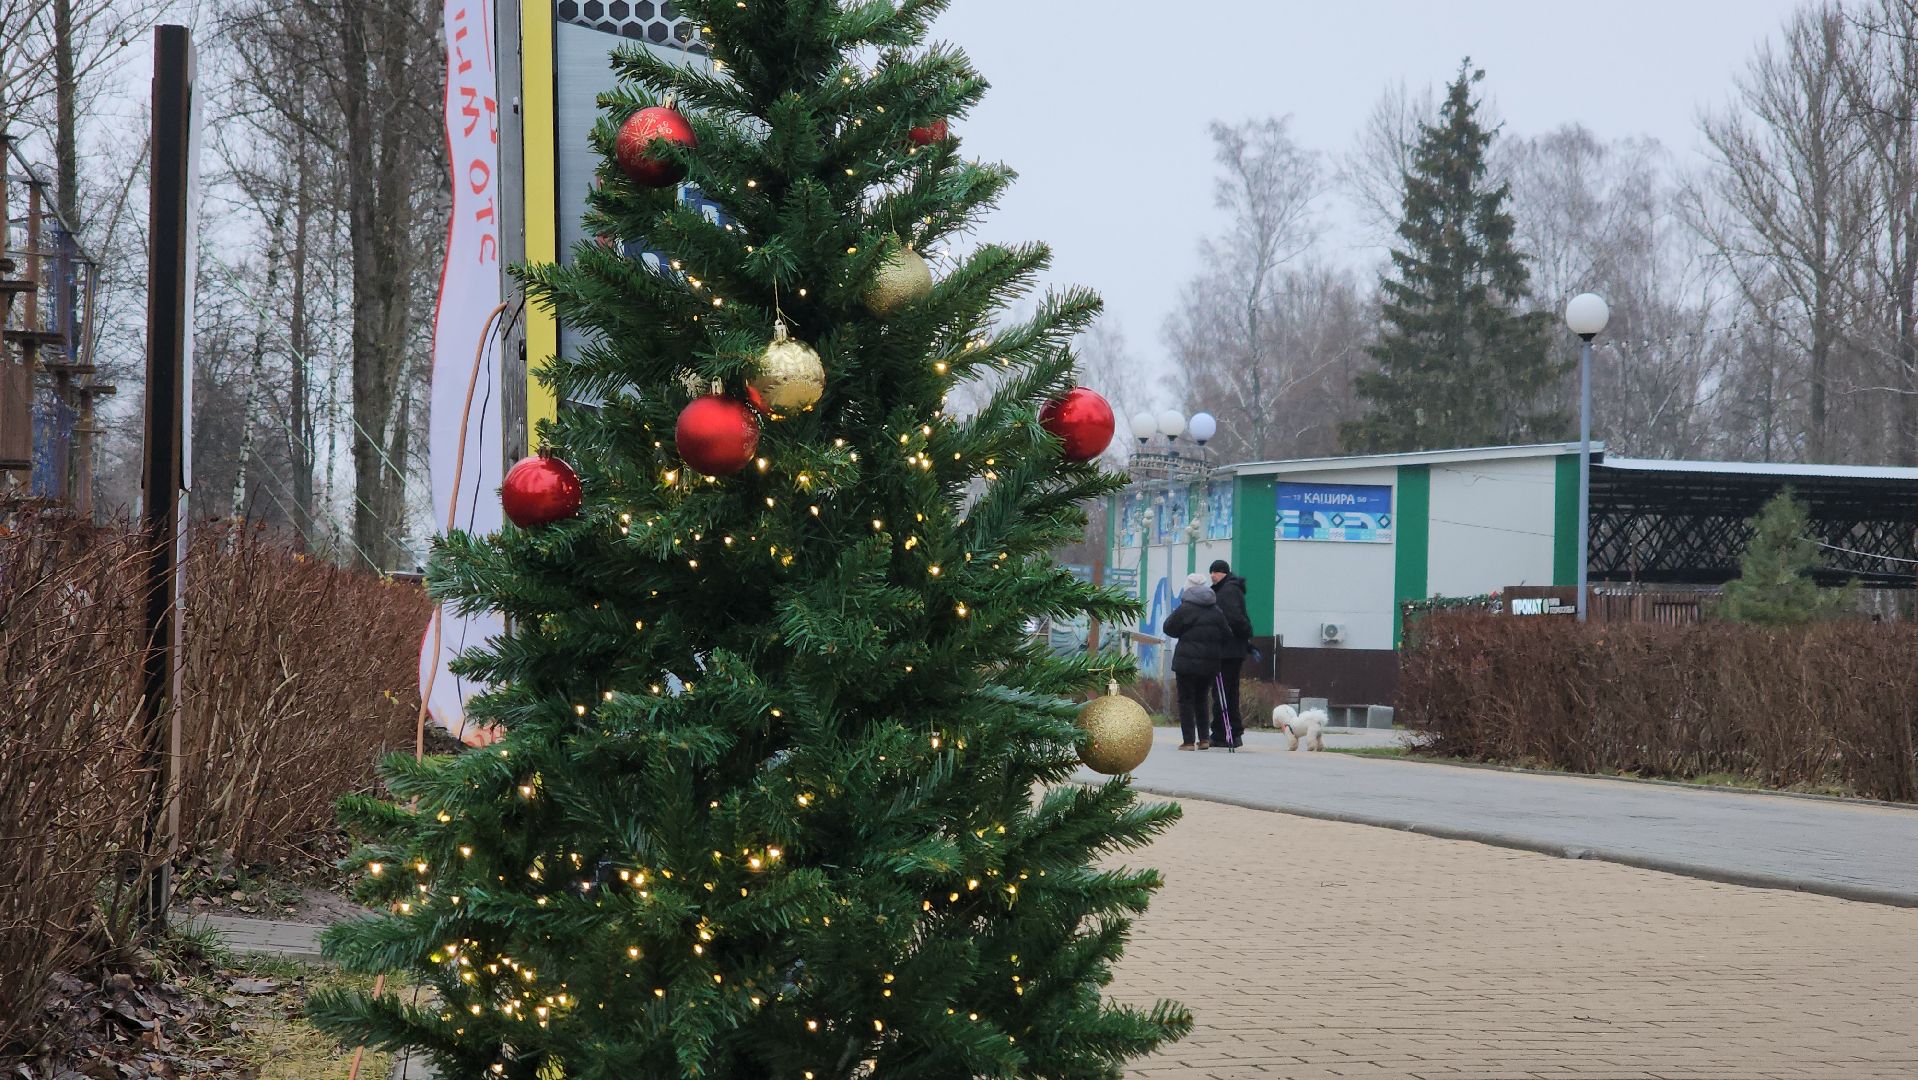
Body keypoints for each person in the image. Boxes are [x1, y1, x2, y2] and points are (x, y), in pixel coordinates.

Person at [1161, 571, 1234, 751]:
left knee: (1186, 700)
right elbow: (1227, 635)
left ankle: (1187, 741)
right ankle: (1204, 739)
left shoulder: (1185, 609)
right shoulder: (1216, 610)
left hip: (1186, 663)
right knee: (1202, 699)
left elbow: (1169, 628)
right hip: (1210, 663)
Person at [1208, 559, 1253, 749]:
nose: (1213, 575)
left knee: (1223, 693)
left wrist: (1244, 633)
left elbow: (1234, 618)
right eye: (1211, 572)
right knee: (1228, 692)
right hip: (1234, 650)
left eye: (1216, 572)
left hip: (1227, 650)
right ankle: (1230, 731)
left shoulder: (1227, 591)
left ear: (1224, 573)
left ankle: (1226, 733)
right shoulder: (1232, 588)